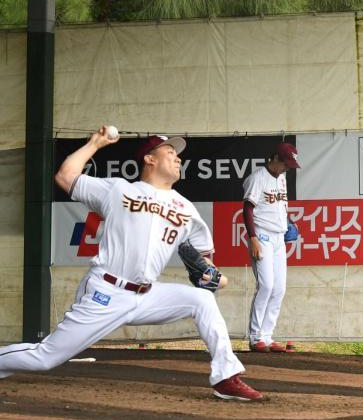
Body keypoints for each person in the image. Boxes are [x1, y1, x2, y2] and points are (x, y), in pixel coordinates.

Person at [0, 127, 263, 401]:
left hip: (147, 295)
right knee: (45, 357)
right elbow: (66, 177)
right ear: (150, 159)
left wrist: (211, 274)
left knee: (202, 300)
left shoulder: (186, 209)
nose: (178, 159)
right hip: (107, 292)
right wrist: (95, 143)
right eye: (170, 152)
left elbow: (204, 259)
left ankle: (226, 377)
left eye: (177, 155)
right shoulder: (119, 190)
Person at [243, 141, 300, 353]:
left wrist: (289, 222)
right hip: (262, 236)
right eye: (285, 163)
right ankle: (256, 336)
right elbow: (247, 209)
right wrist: (253, 238)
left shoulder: (282, 178)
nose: (287, 168)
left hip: (278, 238)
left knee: (279, 288)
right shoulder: (257, 178)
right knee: (266, 286)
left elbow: (280, 207)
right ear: (275, 158)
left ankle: (267, 336)